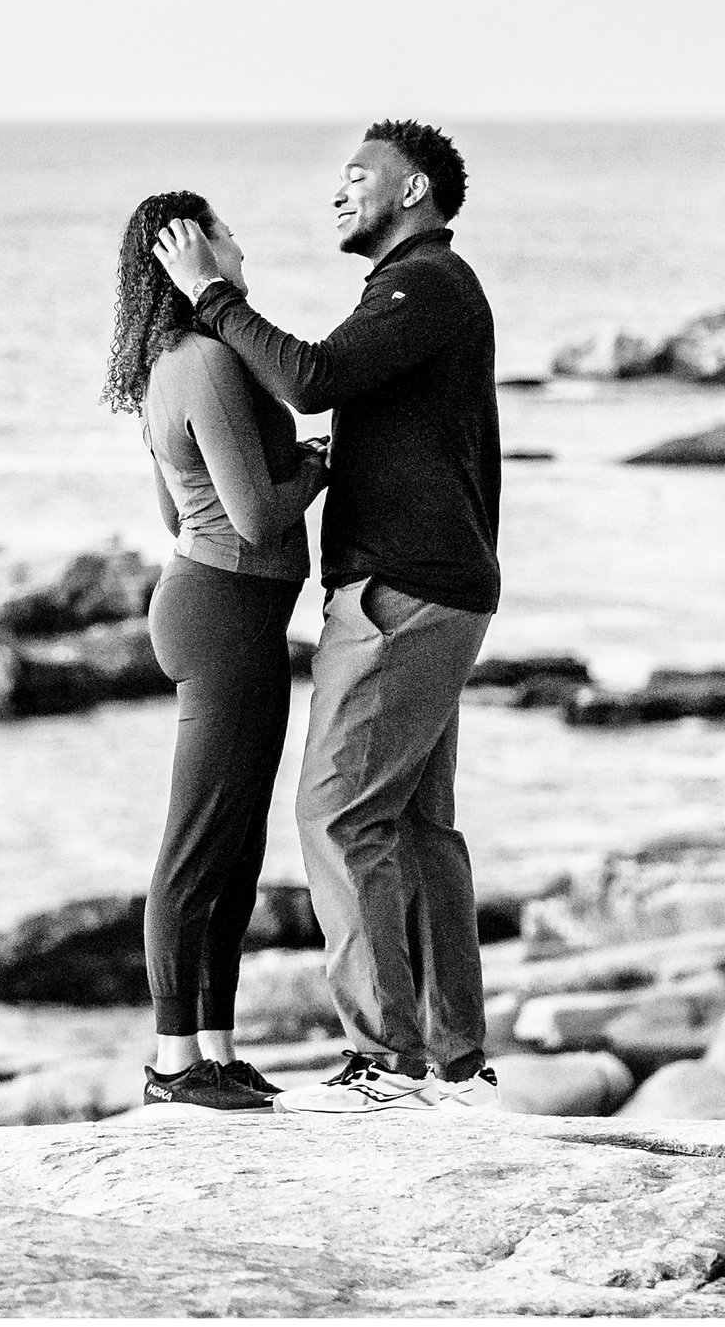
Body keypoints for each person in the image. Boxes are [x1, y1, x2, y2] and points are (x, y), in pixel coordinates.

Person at [152, 120, 501, 1115]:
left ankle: (386, 1063)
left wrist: (209, 298)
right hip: (440, 583)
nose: (337, 194)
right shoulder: (423, 288)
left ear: (414, 189)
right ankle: (451, 1063)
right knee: (414, 823)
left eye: (357, 178)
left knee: (337, 811)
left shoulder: (424, 281)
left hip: (401, 591)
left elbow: (309, 376)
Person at [104, 189, 328, 1112]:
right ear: (191, 247)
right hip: (226, 614)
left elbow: (172, 511)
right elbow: (254, 514)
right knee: (199, 846)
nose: (241, 241)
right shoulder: (204, 361)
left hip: (217, 606)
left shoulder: (164, 366)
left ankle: (215, 1049)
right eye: (225, 229)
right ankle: (170, 1060)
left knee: (235, 847)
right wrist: (318, 461)